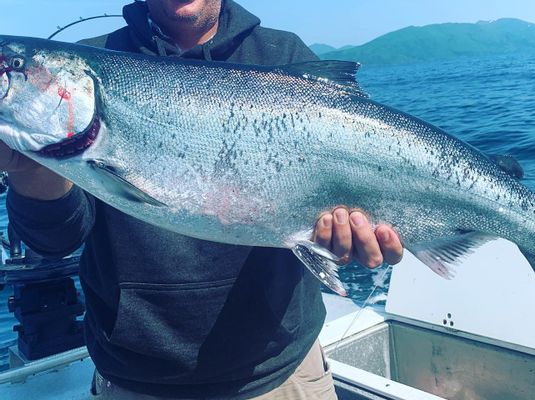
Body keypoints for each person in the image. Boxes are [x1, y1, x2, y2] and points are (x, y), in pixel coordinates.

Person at [2, 0, 403, 398]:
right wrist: (33, 168)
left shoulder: (283, 55)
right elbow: (54, 242)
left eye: (13, 66)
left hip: (282, 374)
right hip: (137, 380)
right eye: (15, 69)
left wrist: (347, 236)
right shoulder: (99, 54)